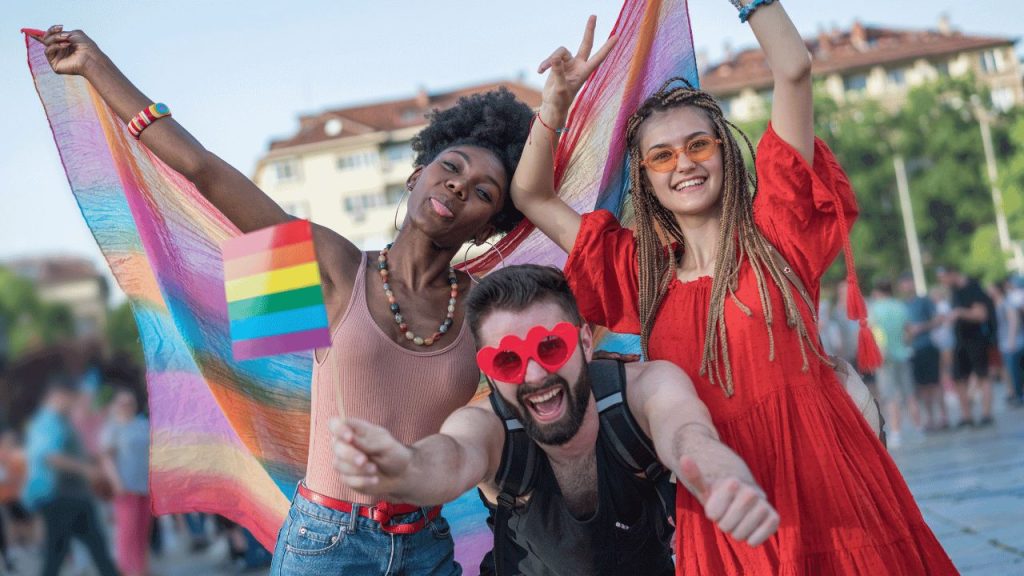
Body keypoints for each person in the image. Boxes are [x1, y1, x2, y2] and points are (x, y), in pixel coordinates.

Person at [35, 19, 612, 574]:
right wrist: (95, 66)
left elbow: (575, 300)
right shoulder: (334, 266)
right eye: (450, 166)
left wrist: (554, 114)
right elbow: (204, 171)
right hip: (326, 543)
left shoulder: (486, 307)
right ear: (416, 176)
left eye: (483, 191)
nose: (459, 185)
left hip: (428, 545)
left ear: (489, 225)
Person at [508, 1, 956, 572]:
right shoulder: (637, 271)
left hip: (826, 475)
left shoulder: (777, 229)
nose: (684, 165)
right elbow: (533, 195)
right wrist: (555, 102)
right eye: (662, 155)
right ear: (644, 176)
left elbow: (793, 68)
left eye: (699, 145)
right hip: (720, 492)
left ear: (723, 149)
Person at [331, 265, 778, 575]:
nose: (536, 375)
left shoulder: (643, 389)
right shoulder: (488, 427)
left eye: (550, 348)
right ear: (488, 371)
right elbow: (448, 459)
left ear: (584, 342)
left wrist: (722, 480)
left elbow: (688, 434)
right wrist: (402, 468)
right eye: (508, 360)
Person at [22, 377, 120, 576]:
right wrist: (86, 470)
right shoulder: (47, 421)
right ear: (59, 395)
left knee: (94, 548)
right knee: (59, 553)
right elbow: (50, 456)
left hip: (73, 496)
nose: (73, 403)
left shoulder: (59, 420)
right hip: (59, 497)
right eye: (71, 398)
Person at [100, 388, 151, 576]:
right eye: (122, 403)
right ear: (116, 405)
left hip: (145, 486)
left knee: (142, 531)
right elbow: (106, 458)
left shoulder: (143, 424)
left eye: (130, 402)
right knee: (127, 532)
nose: (127, 406)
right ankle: (127, 571)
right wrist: (116, 482)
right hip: (125, 487)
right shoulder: (112, 428)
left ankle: (142, 569)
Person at [938, 265, 996, 427]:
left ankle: (986, 413)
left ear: (952, 273)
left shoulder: (972, 288)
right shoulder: (954, 291)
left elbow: (981, 315)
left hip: (976, 339)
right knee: (958, 377)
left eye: (943, 277)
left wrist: (960, 313)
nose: (943, 282)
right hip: (960, 340)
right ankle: (966, 416)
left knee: (982, 375)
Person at [868, 279, 918, 446]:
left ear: (877, 292)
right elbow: (909, 330)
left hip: (884, 357)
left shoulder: (875, 309)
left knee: (890, 396)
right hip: (903, 354)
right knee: (909, 393)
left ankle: (896, 431)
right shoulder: (900, 306)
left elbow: (873, 333)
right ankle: (918, 427)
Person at [899, 275, 949, 431]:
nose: (907, 287)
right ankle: (930, 418)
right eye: (904, 284)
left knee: (935, 383)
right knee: (922, 387)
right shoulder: (901, 306)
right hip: (912, 350)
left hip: (927, 346)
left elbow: (939, 320)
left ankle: (943, 416)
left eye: (909, 284)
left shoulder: (924, 301)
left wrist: (921, 327)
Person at [991, 277, 1024, 407]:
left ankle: (1018, 395)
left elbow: (1013, 321)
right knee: (1010, 371)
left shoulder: (1007, 302)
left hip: (1013, 343)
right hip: (1005, 343)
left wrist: (1011, 340)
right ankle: (1014, 393)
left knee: (1015, 371)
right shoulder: (998, 303)